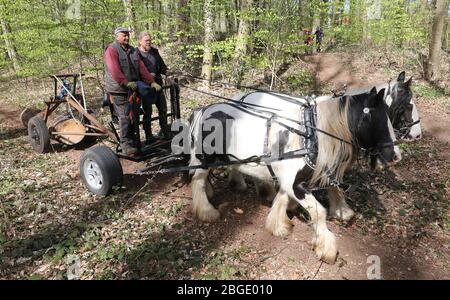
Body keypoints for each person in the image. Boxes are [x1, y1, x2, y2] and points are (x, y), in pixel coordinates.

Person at [104, 27, 161, 155]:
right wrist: (125, 82)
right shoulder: (112, 50)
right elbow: (114, 69)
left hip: (134, 88)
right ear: (116, 36)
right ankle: (126, 144)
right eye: (124, 35)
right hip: (119, 89)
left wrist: (151, 81)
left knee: (134, 115)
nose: (127, 37)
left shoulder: (132, 50)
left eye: (128, 35)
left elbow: (141, 68)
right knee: (125, 116)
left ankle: (134, 140)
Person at [137, 32, 170, 141]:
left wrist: (166, 71)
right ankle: (149, 136)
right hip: (146, 89)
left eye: (150, 40)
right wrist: (147, 75)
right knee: (148, 113)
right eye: (146, 40)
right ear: (140, 41)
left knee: (163, 109)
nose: (149, 42)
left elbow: (162, 66)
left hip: (158, 86)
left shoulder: (154, 52)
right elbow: (135, 71)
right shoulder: (136, 54)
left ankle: (165, 132)